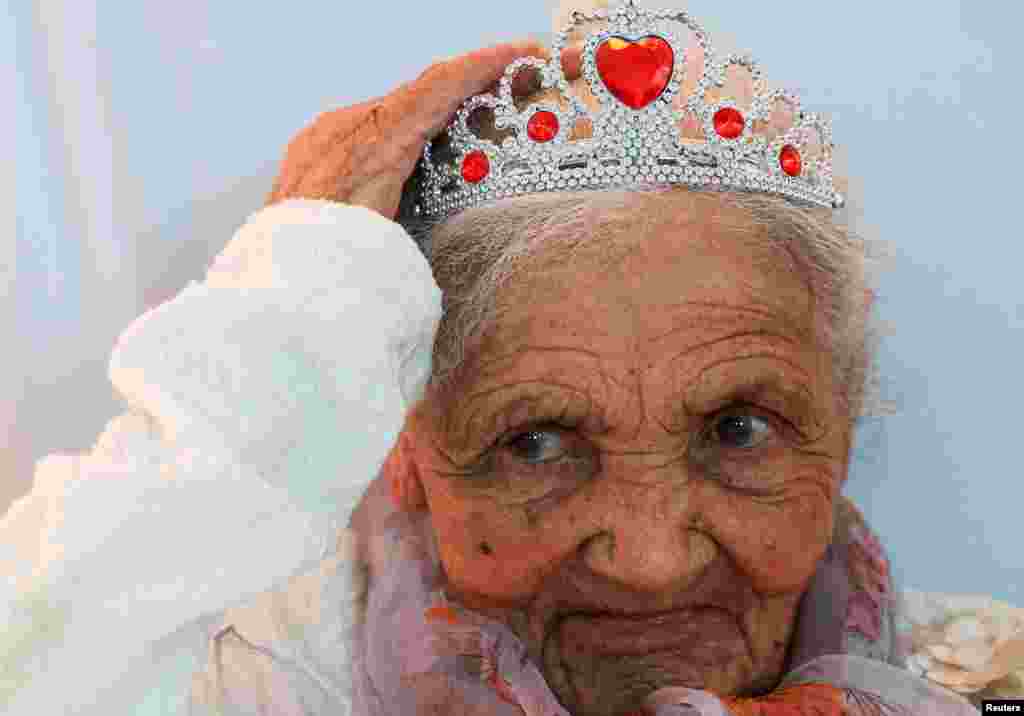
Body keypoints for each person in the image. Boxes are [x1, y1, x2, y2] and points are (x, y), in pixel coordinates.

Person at [0, 1, 1011, 714]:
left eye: (737, 428)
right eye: (534, 441)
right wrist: (274, 355)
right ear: (403, 446)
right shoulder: (244, 688)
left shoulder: (991, 673)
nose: (651, 559)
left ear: (840, 423)